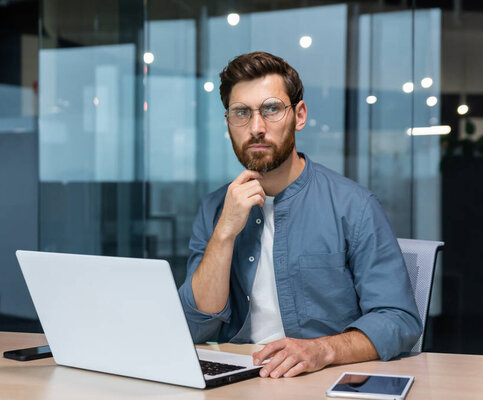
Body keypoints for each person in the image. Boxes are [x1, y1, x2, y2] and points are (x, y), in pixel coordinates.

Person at [178, 52, 422, 379]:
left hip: (322, 377)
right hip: (237, 378)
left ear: (300, 115)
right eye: (241, 113)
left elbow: (398, 319)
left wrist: (322, 349)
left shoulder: (355, 206)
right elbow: (194, 327)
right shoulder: (214, 209)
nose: (257, 128)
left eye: (272, 109)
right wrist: (224, 232)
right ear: (228, 124)